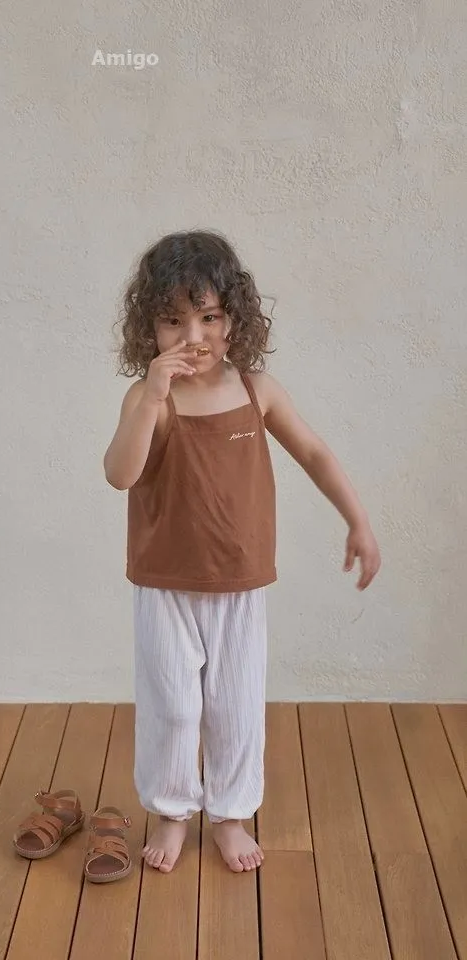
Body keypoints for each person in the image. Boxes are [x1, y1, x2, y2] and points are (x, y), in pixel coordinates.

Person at [103, 230, 381, 874]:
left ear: (234, 320)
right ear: (149, 327)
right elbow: (120, 474)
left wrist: (358, 520)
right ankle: (172, 810)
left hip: (240, 581)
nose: (191, 336)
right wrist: (150, 397)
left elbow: (313, 452)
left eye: (207, 317)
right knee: (173, 706)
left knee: (234, 707)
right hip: (164, 581)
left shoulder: (258, 390)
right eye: (173, 321)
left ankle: (231, 813)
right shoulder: (148, 399)